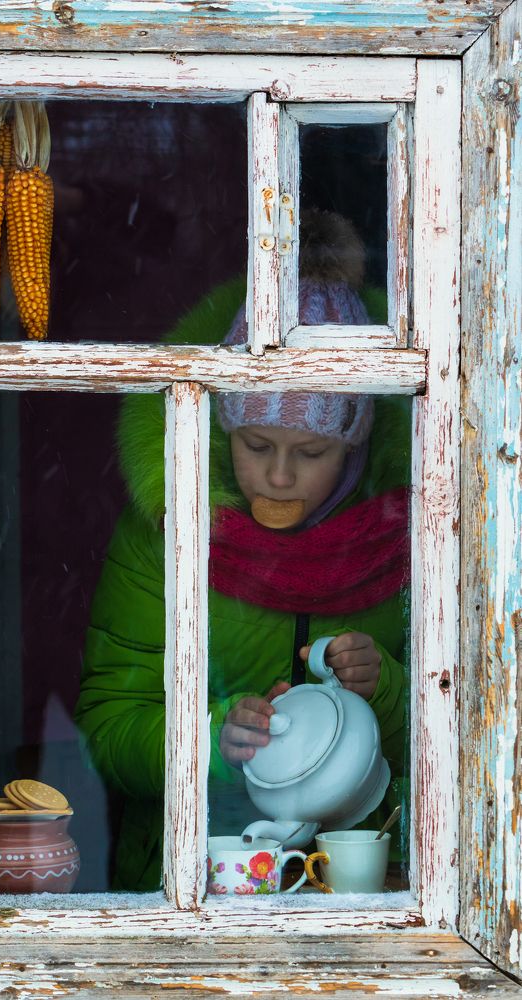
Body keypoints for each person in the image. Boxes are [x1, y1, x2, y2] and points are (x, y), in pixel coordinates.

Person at [75, 211, 410, 891]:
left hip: (360, 885)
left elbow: (476, 731)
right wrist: (209, 741)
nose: (280, 477)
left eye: (310, 452)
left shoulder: (408, 533)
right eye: (257, 445)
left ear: (355, 446)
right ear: (222, 423)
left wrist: (389, 691)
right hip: (193, 881)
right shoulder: (166, 528)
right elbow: (104, 729)